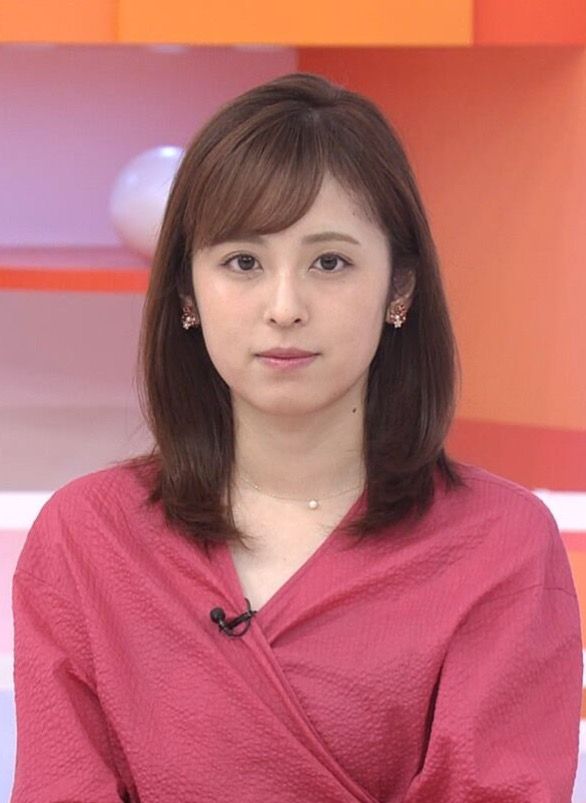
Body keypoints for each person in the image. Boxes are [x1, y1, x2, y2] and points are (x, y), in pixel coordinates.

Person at [11, 72, 582, 802]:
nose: (284, 307)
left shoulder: (502, 546)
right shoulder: (85, 538)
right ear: (187, 292)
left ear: (399, 289)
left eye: (330, 263)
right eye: (243, 262)